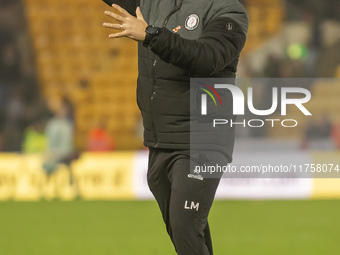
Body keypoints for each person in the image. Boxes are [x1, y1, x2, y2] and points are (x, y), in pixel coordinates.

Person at [102, 1, 248, 254]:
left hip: (203, 140)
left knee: (185, 227)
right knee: (188, 234)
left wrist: (150, 35)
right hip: (160, 139)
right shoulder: (152, 3)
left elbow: (207, 58)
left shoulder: (228, 11)